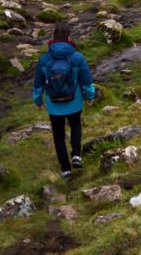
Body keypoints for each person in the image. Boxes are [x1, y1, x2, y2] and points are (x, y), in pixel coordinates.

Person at [33, 25, 95, 179]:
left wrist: (38, 100)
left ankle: (66, 169)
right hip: (74, 102)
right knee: (75, 125)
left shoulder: (44, 59)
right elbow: (86, 80)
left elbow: (38, 83)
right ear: (69, 39)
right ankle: (76, 155)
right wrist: (89, 96)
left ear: (53, 39)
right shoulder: (77, 57)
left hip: (54, 105)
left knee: (58, 134)